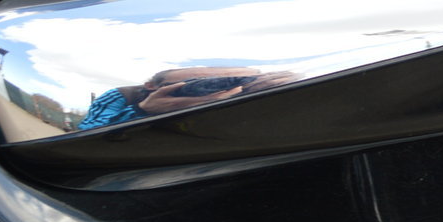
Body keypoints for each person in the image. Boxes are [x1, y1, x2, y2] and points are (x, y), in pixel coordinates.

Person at [78, 66, 295, 130]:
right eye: (191, 84)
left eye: (224, 81)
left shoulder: (242, 94)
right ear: (151, 86)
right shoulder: (125, 95)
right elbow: (89, 130)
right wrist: (142, 111)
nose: (207, 88)